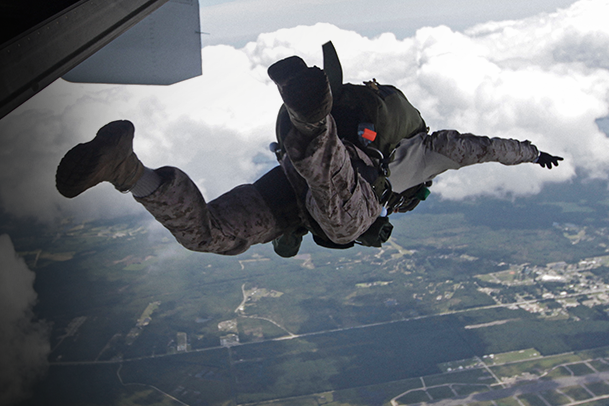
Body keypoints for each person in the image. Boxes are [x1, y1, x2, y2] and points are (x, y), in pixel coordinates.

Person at [55, 42, 564, 257]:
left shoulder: (414, 164)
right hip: (318, 176)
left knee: (209, 237)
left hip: (289, 197)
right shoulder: (422, 158)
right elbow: (481, 148)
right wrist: (532, 151)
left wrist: (529, 152)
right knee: (344, 216)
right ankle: (308, 113)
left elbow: (484, 148)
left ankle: (124, 167)